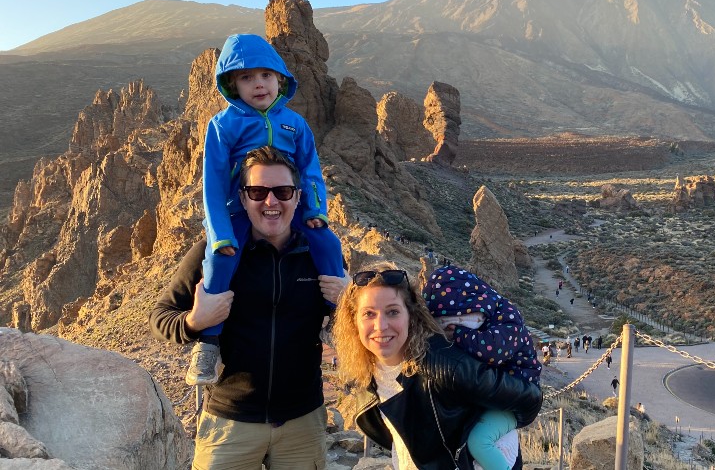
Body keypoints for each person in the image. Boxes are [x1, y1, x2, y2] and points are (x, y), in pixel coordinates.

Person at [150, 146, 346, 468]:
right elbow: (160, 318)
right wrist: (194, 321)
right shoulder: (214, 253)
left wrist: (349, 301)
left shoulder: (321, 256)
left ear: (298, 197)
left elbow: (355, 327)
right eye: (258, 191)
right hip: (230, 422)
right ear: (242, 199)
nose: (271, 202)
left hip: (303, 422)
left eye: (282, 191)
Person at [191, 33, 345, 386]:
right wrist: (221, 234)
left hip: (294, 205)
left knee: (328, 245)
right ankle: (209, 340)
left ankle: (338, 321)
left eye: (266, 75)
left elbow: (311, 170)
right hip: (241, 209)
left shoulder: (295, 123)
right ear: (232, 84)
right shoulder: (223, 125)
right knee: (220, 261)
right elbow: (213, 185)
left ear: (280, 79)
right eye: (246, 77)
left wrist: (316, 210)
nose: (258, 84)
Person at [334, 263, 542, 469]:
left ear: (411, 316)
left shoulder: (446, 365)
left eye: (393, 312)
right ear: (354, 321)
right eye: (369, 313)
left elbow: (530, 400)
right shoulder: (365, 376)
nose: (381, 326)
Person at [423, 265, 543, 470]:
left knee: (479, 442)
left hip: (512, 401)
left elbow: (492, 351)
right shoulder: (491, 315)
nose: (450, 328)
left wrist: (458, 334)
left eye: (456, 321)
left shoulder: (508, 320)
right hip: (495, 396)